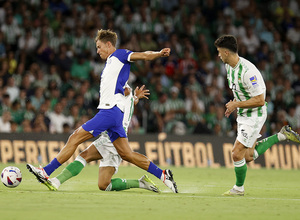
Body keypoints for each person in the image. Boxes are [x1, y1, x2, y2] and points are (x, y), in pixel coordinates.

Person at [27, 29, 178, 193]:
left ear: (108, 44)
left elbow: (143, 55)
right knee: (126, 154)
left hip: (109, 112)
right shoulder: (112, 67)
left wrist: (158, 53)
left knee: (75, 138)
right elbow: (123, 92)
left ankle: (46, 172)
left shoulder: (119, 55)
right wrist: (133, 97)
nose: (97, 51)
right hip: (115, 116)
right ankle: (163, 175)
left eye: (99, 47)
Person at [214, 35, 300, 196]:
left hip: (255, 114)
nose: (218, 55)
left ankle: (239, 189)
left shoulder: (248, 72)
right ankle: (281, 136)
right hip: (243, 113)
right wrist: (234, 104)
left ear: (226, 52)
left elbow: (260, 100)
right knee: (247, 156)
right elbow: (240, 92)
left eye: (219, 52)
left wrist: (236, 104)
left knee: (236, 152)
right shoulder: (229, 67)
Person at [41, 84, 159, 193]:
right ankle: (141, 183)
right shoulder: (128, 101)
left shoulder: (121, 94)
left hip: (114, 137)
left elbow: (125, 94)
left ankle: (56, 181)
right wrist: (136, 96)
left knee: (84, 156)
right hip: (115, 136)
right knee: (104, 185)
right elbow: (133, 101)